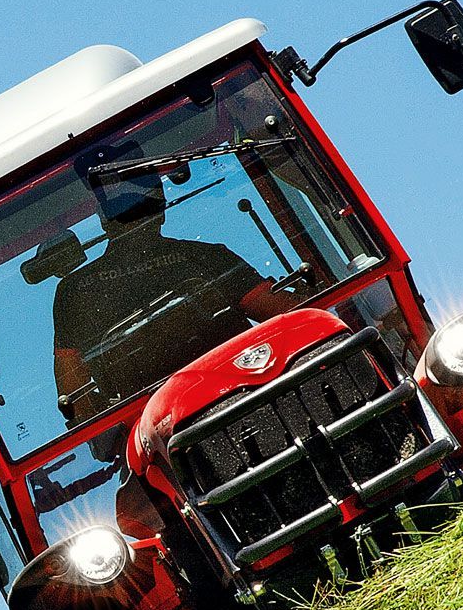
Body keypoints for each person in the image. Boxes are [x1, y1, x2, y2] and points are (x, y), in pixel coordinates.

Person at [50, 156, 296, 424]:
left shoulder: (74, 290)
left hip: (152, 428)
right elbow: (281, 312)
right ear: (161, 209)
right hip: (245, 396)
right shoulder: (207, 257)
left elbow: (74, 395)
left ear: (104, 221)